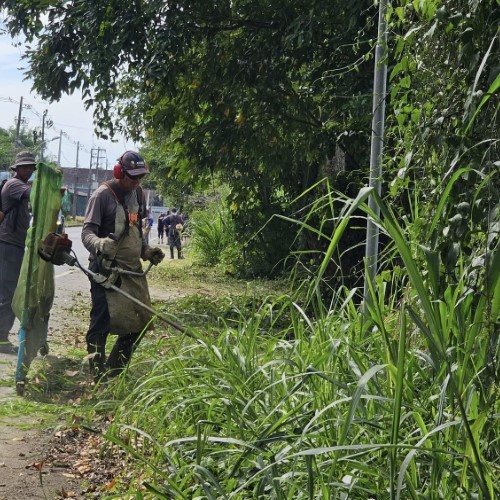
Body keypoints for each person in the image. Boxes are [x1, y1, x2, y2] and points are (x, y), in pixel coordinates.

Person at [81, 151, 165, 382]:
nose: (137, 182)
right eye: (133, 177)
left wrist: (146, 252)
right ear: (120, 172)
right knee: (101, 322)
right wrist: (99, 243)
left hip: (131, 270)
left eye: (140, 178)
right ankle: (97, 376)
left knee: (141, 320)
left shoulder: (138, 194)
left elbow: (136, 232)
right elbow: (86, 233)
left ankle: (113, 371)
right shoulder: (102, 196)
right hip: (104, 269)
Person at [0, 151, 36, 354]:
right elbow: (35, 195)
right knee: (8, 292)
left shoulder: (22, 185)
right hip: (8, 243)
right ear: (17, 169)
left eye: (31, 167)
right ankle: (1, 338)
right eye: (25, 166)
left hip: (14, 243)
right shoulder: (15, 185)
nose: (28, 170)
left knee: (9, 290)